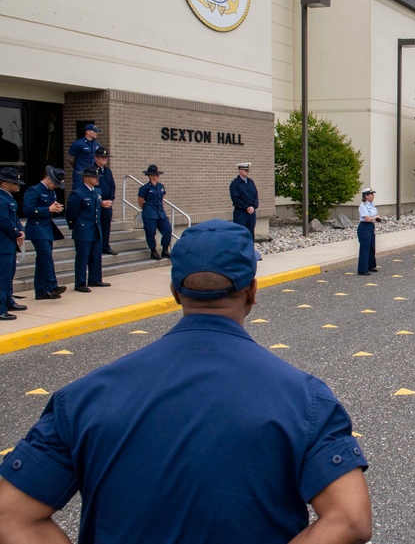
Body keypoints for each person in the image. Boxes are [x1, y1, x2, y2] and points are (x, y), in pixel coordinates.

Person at [0, 220, 372, 543]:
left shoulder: (83, 397)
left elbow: (11, 515)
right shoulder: (304, 399)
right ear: (253, 292)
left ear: (175, 292)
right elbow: (350, 519)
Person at [23, 166, 66, 300]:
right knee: (46, 256)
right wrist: (48, 209)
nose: (55, 186)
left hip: (47, 228)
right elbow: (28, 210)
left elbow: (50, 207)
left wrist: (55, 208)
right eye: (54, 182)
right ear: (47, 178)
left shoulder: (51, 192)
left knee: (42, 259)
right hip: (37, 228)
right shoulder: (34, 190)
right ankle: (52, 285)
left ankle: (41, 291)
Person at [65, 165, 109, 293]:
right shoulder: (78, 193)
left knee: (96, 255)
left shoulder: (97, 192)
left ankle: (95, 278)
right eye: (94, 177)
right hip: (83, 228)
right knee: (82, 257)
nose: (97, 179)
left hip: (95, 227)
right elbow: (71, 212)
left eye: (97, 176)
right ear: (85, 178)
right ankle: (80, 282)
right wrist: (75, 226)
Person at [0, 167, 26, 320]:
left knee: (9, 275)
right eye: (14, 182)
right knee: (2, 278)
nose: (18, 185)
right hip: (2, 244)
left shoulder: (9, 198)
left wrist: (21, 230)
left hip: (8, 244)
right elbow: (4, 221)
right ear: (4, 183)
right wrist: (17, 233)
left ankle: (8, 301)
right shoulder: (1, 199)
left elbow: (15, 218)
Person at [137, 165, 172, 261]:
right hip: (150, 213)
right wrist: (147, 210)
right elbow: (140, 201)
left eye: (158, 174)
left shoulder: (160, 186)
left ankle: (165, 250)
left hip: (160, 212)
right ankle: (153, 251)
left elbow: (161, 198)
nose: (157, 176)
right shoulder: (145, 188)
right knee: (151, 232)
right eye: (155, 175)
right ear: (150, 176)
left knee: (167, 229)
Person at [94, 147, 117, 256]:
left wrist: (111, 199)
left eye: (105, 157)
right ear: (96, 158)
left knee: (106, 225)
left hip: (107, 203)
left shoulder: (108, 171)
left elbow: (112, 186)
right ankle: (97, 246)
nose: (104, 159)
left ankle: (105, 246)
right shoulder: (91, 170)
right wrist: (100, 201)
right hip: (96, 203)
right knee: (96, 225)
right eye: (102, 157)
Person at [68, 123, 101, 192]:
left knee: (91, 192)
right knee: (79, 191)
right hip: (80, 172)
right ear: (88, 132)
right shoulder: (78, 143)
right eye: (94, 131)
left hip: (92, 173)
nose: (96, 133)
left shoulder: (97, 144)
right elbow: (71, 158)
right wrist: (78, 167)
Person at [229, 162, 259, 239]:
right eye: (245, 170)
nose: (247, 172)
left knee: (250, 233)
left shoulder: (250, 182)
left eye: (248, 170)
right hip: (241, 213)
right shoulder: (235, 183)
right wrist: (246, 207)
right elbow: (235, 199)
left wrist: (253, 206)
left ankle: (250, 249)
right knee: (240, 233)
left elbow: (255, 195)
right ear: (240, 170)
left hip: (251, 212)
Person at [356, 187, 380, 276]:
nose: (373, 196)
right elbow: (367, 218)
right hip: (364, 227)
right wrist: (375, 217)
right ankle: (362, 269)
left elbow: (373, 218)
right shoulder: (363, 206)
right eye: (371, 194)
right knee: (365, 248)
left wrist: (377, 219)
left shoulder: (372, 205)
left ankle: (371, 266)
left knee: (371, 247)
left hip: (371, 226)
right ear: (366, 196)